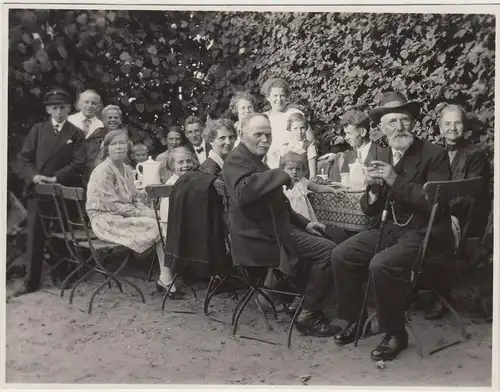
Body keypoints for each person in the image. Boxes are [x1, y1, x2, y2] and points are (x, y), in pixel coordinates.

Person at [330, 91, 453, 361]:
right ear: (382, 129)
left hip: (423, 232)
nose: (399, 127)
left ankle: (395, 333)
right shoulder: (382, 152)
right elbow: (369, 207)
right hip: (390, 228)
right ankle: (354, 319)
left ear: (413, 123)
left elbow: (436, 203)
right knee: (342, 254)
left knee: (381, 264)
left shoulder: (434, 154)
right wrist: (373, 191)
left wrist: (393, 179)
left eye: (405, 120)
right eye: (392, 122)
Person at [222, 112, 342, 337]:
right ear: (241, 134)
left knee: (327, 239)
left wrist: (305, 224)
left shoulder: (253, 160)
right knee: (328, 251)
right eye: (258, 134)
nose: (264, 140)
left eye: (268, 135)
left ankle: (303, 303)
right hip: (257, 240)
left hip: (271, 231)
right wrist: (279, 174)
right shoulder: (236, 160)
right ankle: (309, 314)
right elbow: (243, 192)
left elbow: (280, 202)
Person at [86, 129, 181, 298]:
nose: (119, 147)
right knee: (156, 225)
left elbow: (134, 198)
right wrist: (142, 214)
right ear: (106, 148)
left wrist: (149, 211)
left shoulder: (127, 169)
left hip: (122, 216)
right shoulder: (103, 171)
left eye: (122, 143)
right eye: (114, 144)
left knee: (160, 220)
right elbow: (113, 205)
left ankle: (166, 278)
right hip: (105, 219)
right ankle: (166, 279)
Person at [12, 88, 86, 296]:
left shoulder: (75, 133)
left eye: (62, 107)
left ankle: (61, 276)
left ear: (69, 108)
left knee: (62, 236)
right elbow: (24, 158)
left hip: (62, 191)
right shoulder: (38, 130)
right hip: (38, 191)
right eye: (54, 108)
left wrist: (57, 177)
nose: (59, 112)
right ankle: (31, 281)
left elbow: (78, 162)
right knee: (35, 237)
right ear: (48, 109)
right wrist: (35, 176)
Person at [423, 103, 492, 320]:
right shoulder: (434, 153)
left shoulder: (475, 156)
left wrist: (448, 213)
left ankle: (440, 296)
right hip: (439, 213)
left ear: (465, 126)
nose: (452, 128)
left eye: (457, 123)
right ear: (440, 128)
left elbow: (470, 193)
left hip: (468, 217)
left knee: (437, 236)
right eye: (447, 123)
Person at [261, 78, 314, 169]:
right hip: (269, 164)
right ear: (268, 97)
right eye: (275, 95)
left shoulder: (294, 113)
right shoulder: (263, 117)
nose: (279, 99)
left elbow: (310, 140)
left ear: (286, 97)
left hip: (293, 164)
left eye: (282, 95)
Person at [67, 89, 107, 186]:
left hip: (90, 173)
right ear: (79, 104)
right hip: (69, 169)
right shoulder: (69, 122)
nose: (90, 106)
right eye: (86, 102)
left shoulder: (101, 127)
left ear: (98, 107)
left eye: (94, 103)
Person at [280, 113, 318, 178]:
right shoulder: (285, 147)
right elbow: (280, 170)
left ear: (306, 128)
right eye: (295, 128)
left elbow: (312, 175)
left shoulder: (309, 146)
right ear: (290, 128)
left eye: (302, 128)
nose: (299, 132)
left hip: (303, 183)